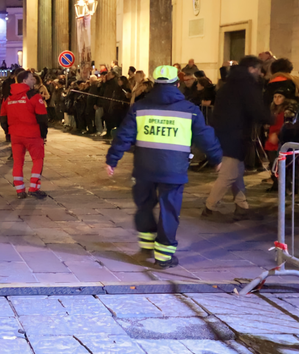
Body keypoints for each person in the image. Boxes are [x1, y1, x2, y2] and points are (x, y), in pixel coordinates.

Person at [106, 66, 222, 269]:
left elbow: (124, 135)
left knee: (144, 206)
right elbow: (205, 136)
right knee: (169, 210)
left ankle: (146, 245)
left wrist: (112, 160)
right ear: (177, 84)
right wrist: (217, 158)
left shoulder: (139, 108)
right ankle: (164, 255)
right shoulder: (189, 110)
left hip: (144, 169)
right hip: (174, 171)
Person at [203, 56, 273, 221]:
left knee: (237, 171)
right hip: (235, 135)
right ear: (251, 69)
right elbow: (255, 109)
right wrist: (272, 119)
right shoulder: (246, 86)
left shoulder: (229, 85)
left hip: (224, 133)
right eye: (258, 69)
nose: (260, 73)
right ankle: (210, 207)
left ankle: (242, 206)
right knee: (229, 173)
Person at [0, 70, 48, 199]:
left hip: (15, 135)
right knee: (38, 160)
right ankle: (34, 187)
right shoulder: (33, 96)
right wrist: (44, 134)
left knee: (18, 162)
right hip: (33, 134)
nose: (34, 80)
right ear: (25, 80)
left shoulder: (8, 97)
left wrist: (9, 132)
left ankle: (20, 190)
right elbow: (42, 118)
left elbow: (3, 118)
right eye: (32, 78)